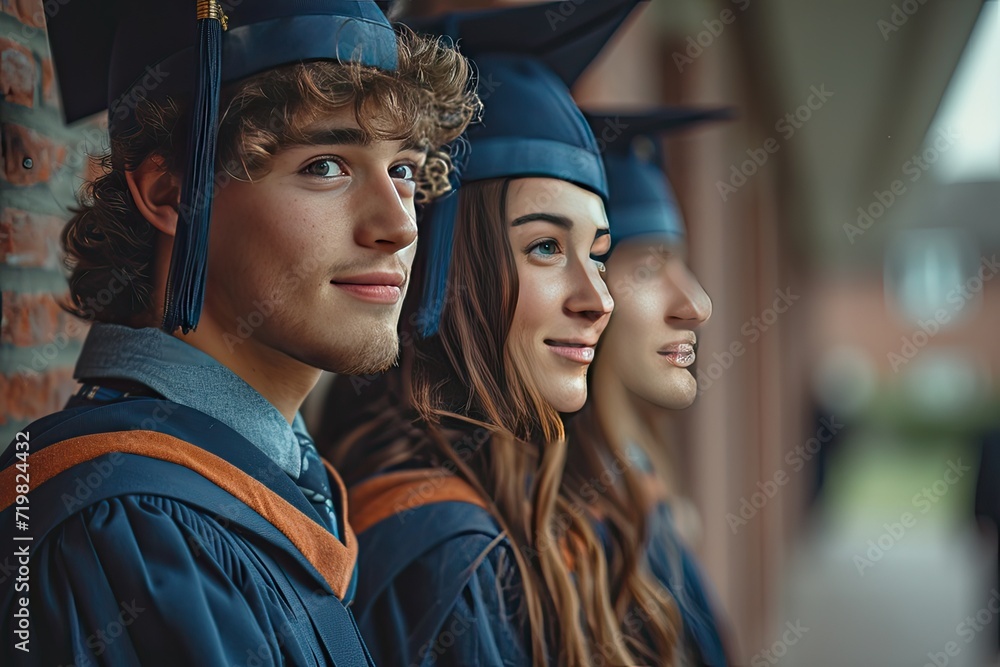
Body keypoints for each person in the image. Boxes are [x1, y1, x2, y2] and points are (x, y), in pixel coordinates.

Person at [0, 1, 477, 665]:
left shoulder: (278, 486)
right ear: (171, 193)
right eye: (326, 166)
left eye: (403, 169)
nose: (399, 225)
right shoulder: (131, 526)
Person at [322, 2, 699, 666]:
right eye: (547, 247)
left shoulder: (530, 511)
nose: (596, 299)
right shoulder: (443, 548)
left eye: (601, 253)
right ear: (450, 268)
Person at [565, 109, 735, 666]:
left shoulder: (641, 480)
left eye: (680, 264)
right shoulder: (568, 534)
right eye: (647, 268)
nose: (696, 306)